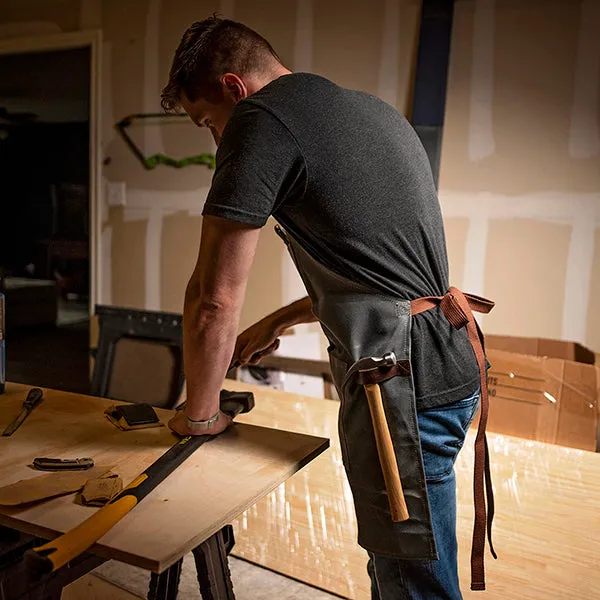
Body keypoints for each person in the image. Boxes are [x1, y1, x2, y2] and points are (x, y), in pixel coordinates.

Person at [162, 16, 495, 600]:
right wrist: (280, 319)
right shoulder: (369, 111)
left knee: (410, 580)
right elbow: (382, 276)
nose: (217, 139)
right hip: (447, 362)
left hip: (400, 387)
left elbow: (212, 300)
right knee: (401, 566)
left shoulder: (261, 120)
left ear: (235, 89)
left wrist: (201, 417)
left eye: (208, 122)